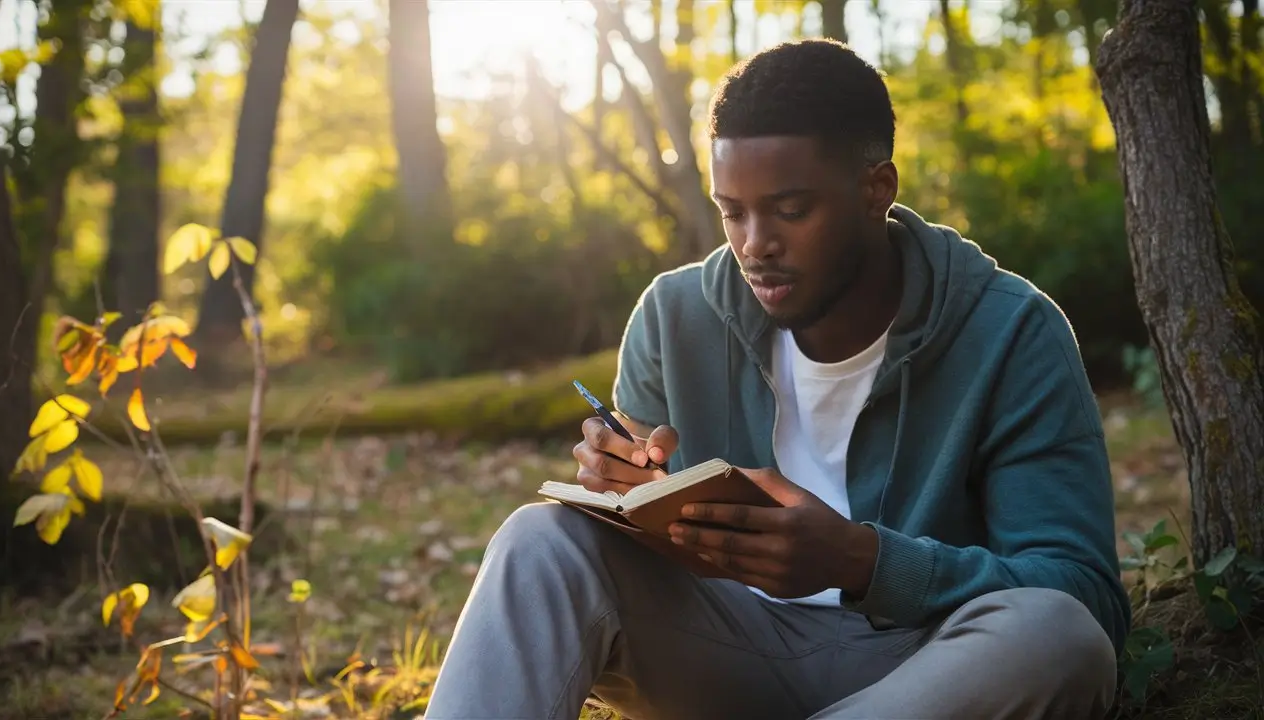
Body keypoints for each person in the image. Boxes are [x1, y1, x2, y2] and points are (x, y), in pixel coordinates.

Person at [424, 38, 1129, 720]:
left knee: (1056, 634)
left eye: (791, 210)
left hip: (930, 668)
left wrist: (863, 561)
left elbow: (1084, 594)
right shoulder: (674, 317)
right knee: (540, 540)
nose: (754, 244)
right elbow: (634, 544)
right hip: (725, 650)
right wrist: (620, 490)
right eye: (732, 212)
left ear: (875, 189)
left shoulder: (1010, 332)